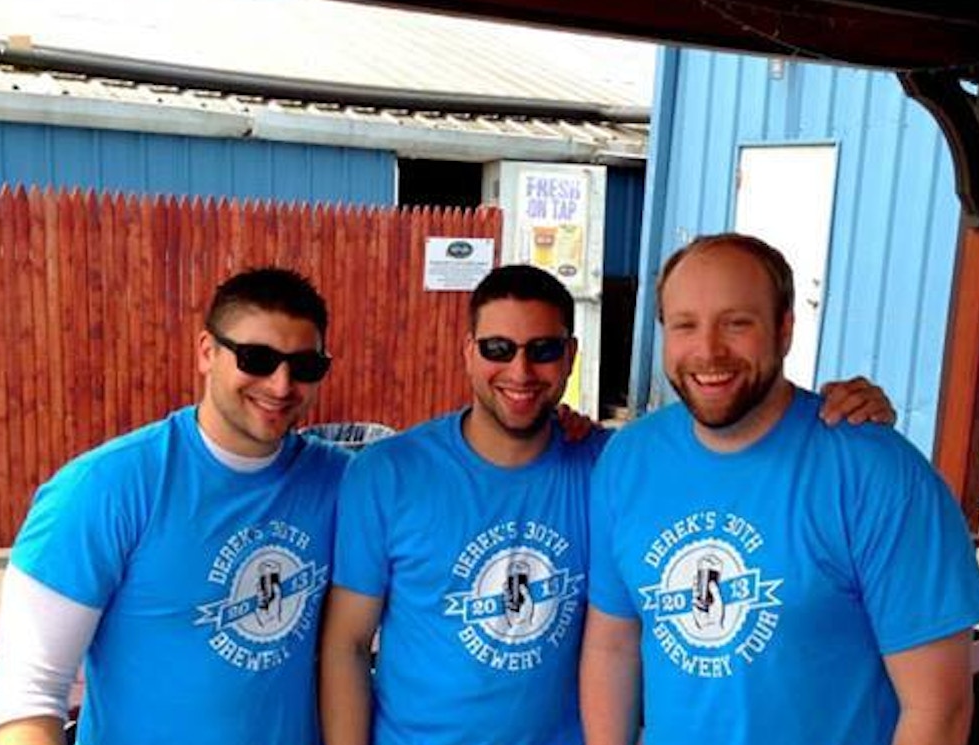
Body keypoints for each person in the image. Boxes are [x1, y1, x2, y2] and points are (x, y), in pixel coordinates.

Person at [319, 264, 897, 745]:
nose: (520, 370)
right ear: (469, 352)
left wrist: (837, 411)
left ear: (570, 356)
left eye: (543, 350)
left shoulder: (613, 466)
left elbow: (732, 460)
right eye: (499, 348)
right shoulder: (388, 473)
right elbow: (347, 643)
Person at [580, 234, 979, 745]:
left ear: (785, 329)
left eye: (737, 323)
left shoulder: (877, 472)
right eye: (686, 325)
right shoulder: (628, 460)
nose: (708, 350)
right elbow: (612, 645)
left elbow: (939, 709)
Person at [0, 268, 348, 745]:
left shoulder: (341, 482)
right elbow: (27, 693)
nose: (281, 386)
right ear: (206, 352)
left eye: (304, 367)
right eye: (257, 359)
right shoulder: (104, 488)